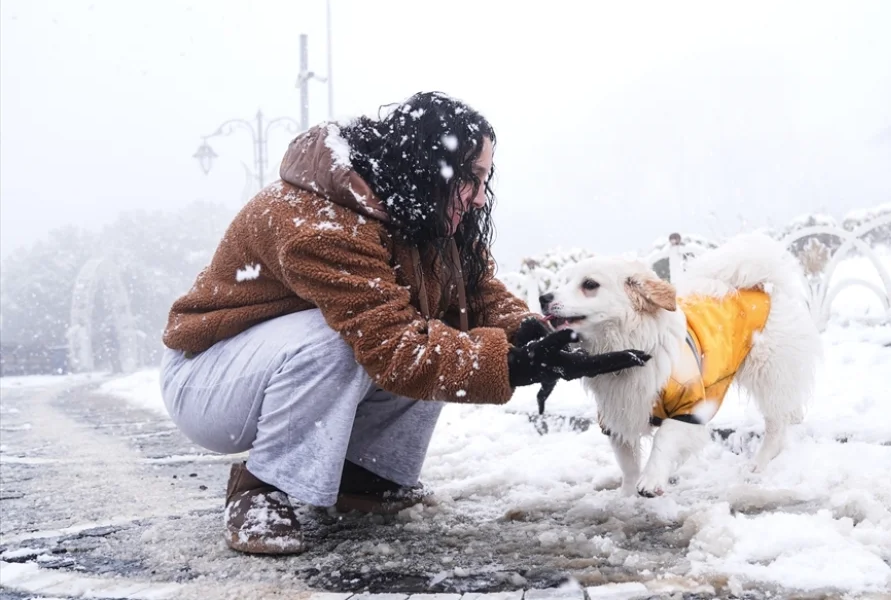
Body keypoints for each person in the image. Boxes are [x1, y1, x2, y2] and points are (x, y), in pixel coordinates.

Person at [160, 92, 650, 554]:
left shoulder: (425, 212)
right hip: (210, 379)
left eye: (485, 179)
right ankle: (263, 486)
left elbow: (477, 295)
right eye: (470, 178)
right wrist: (513, 365)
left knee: (430, 328)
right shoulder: (319, 220)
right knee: (351, 339)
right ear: (429, 167)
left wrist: (529, 332)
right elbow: (391, 344)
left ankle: (367, 478)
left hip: (278, 365)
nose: (480, 197)